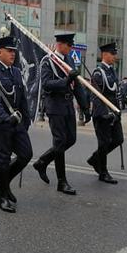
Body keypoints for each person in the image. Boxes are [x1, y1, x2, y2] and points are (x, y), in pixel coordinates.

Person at [33, 33, 90, 195]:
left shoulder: (69, 60)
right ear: (60, 44)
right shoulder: (48, 61)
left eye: (71, 45)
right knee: (60, 142)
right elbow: (46, 84)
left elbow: (77, 85)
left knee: (71, 139)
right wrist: (65, 81)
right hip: (55, 105)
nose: (71, 48)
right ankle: (61, 182)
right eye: (68, 45)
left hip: (68, 105)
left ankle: (42, 162)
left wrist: (85, 107)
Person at [0, 36, 32, 213]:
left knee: (26, 154)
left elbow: (22, 98)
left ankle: (2, 183)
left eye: (14, 51)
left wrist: (27, 119)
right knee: (3, 160)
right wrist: (5, 118)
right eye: (9, 51)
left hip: (16, 122)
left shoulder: (16, 72)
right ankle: (2, 197)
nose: (13, 54)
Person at [87, 42, 124, 184]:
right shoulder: (98, 72)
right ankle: (103, 172)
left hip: (114, 113)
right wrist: (105, 113)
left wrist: (118, 111)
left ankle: (94, 159)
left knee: (118, 139)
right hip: (103, 115)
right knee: (103, 143)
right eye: (112, 54)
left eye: (115, 54)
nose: (115, 56)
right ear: (104, 55)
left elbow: (116, 93)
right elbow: (96, 96)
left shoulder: (112, 71)